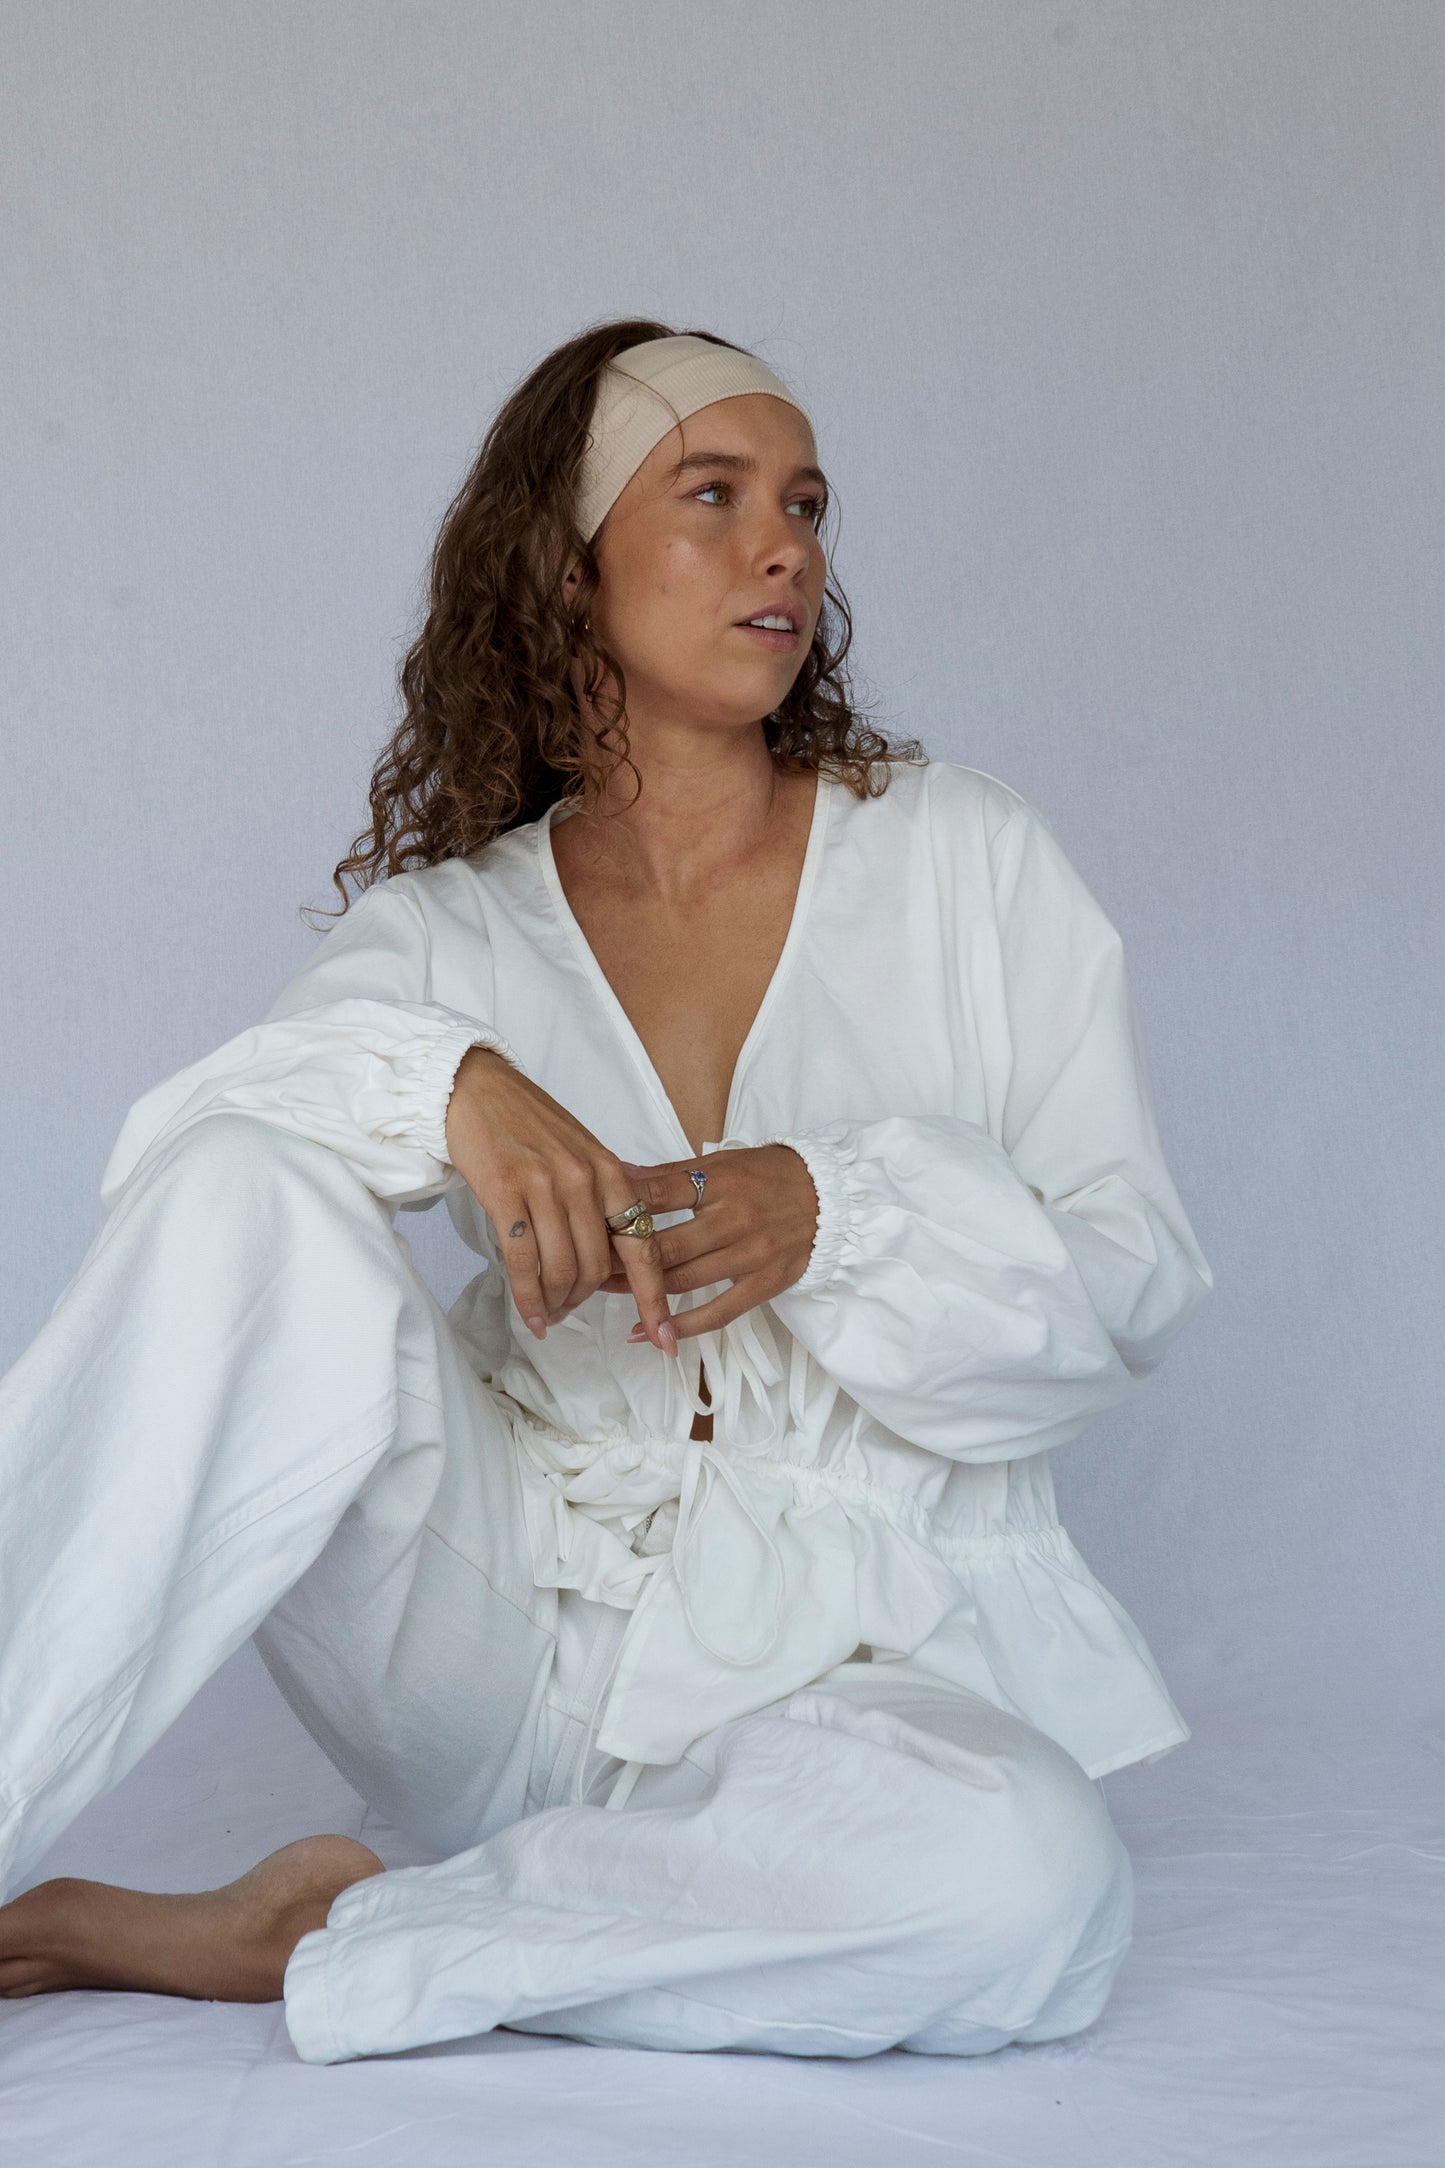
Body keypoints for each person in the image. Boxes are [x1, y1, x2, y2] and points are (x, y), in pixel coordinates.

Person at [0, 324, 1213, 2064]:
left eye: (802, 503)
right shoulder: (452, 932)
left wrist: (841, 1211)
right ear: (567, 577)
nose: (782, 543)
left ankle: (338, 1931)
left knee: (1023, 1889)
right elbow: (186, 1182)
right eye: (708, 497)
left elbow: (1131, 1282)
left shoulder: (964, 864)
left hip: (854, 1679)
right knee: (251, 1185)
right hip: (495, 1631)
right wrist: (445, 1083)